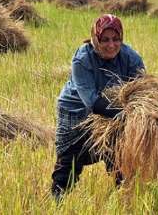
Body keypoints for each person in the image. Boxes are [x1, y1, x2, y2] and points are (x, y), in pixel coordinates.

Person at [51, 14, 145, 202]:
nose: (111, 45)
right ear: (95, 38)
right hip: (76, 111)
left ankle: (123, 198)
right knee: (69, 160)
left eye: (116, 39)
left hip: (114, 111)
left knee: (119, 153)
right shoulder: (82, 59)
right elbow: (92, 102)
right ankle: (57, 201)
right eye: (105, 40)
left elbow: (143, 91)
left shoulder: (130, 57)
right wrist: (125, 115)